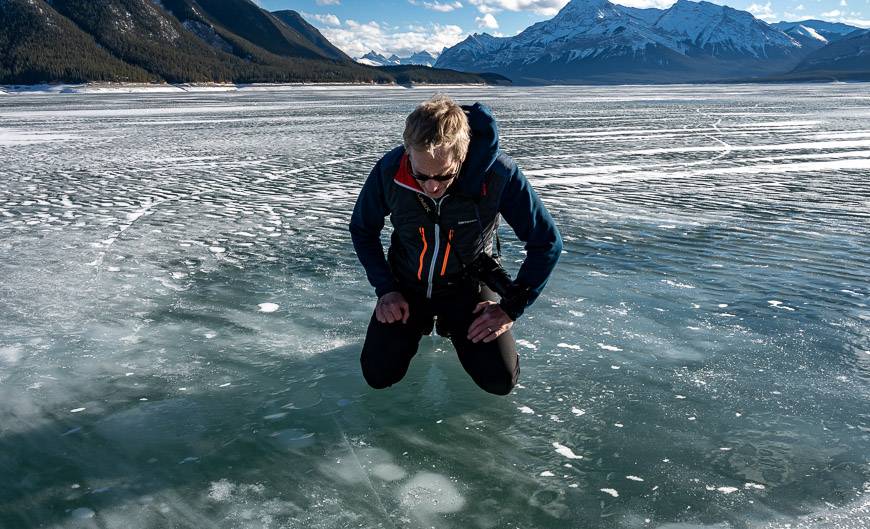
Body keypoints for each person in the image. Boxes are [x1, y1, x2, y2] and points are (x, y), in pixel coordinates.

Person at [349, 95, 562, 395]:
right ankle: (417, 324)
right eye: (420, 175)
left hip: (468, 287)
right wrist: (387, 289)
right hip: (407, 286)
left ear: (462, 156)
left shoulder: (499, 175)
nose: (432, 186)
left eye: (443, 175)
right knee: (378, 373)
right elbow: (362, 229)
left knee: (499, 381)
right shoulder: (389, 171)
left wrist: (510, 309)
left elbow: (547, 241)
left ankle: (456, 327)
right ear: (408, 152)